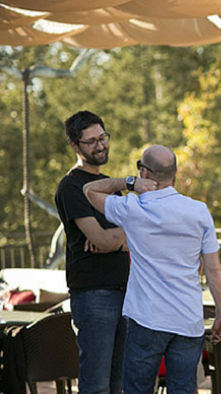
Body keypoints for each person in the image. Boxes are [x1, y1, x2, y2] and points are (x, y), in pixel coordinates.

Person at [82, 145, 221, 394]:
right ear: (175, 173)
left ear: (145, 172)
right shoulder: (198, 211)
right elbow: (214, 270)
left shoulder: (132, 208)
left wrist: (130, 183)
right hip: (188, 319)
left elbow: (89, 190)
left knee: (137, 390)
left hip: (147, 318)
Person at [55, 111, 129, 394]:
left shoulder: (110, 187)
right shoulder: (71, 187)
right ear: (75, 145)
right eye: (91, 142)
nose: (100, 146)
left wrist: (115, 240)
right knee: (96, 385)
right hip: (93, 293)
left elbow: (133, 235)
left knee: (119, 384)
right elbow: (100, 238)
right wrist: (115, 239)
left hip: (126, 291)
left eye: (103, 138)